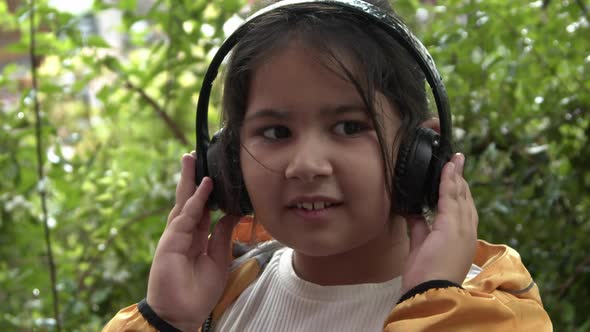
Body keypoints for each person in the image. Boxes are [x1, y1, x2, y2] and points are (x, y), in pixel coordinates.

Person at [103, 0, 552, 331]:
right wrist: (166, 320)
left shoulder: (491, 312)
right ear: (229, 164)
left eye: (349, 127)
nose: (307, 166)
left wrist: (432, 304)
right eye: (276, 133)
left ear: (422, 153)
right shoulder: (216, 304)